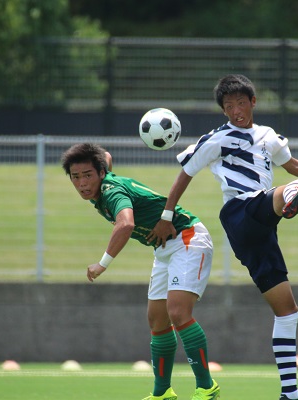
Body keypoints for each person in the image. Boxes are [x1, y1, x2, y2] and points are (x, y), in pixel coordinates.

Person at [149, 74, 298, 400]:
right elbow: (185, 175)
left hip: (262, 231)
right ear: (223, 111)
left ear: (253, 102)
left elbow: (291, 163)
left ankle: (290, 394)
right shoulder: (216, 139)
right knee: (270, 199)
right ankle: (290, 198)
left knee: (287, 309)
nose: (235, 110)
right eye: (228, 106)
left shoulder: (268, 136)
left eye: (240, 102)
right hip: (239, 212)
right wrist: (167, 215)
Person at [60, 143, 220, 400]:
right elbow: (107, 157)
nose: (82, 184)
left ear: (101, 173)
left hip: (187, 237)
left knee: (178, 312)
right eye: (75, 177)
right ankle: (162, 393)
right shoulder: (105, 176)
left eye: (88, 175)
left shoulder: (111, 191)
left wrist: (102, 264)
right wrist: (96, 157)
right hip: (164, 247)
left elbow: (126, 224)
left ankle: (206, 387)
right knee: (157, 320)